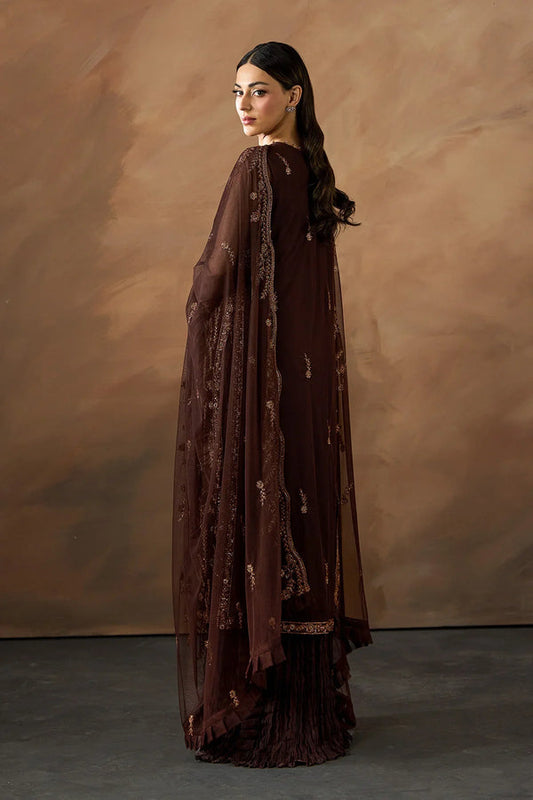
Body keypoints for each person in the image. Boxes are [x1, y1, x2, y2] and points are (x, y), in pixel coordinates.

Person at [171, 41, 373, 768]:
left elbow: (218, 273)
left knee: (261, 505)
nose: (244, 106)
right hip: (306, 383)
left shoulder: (257, 168)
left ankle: (261, 700)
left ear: (293, 94)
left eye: (258, 90)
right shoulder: (312, 172)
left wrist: (197, 308)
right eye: (236, 92)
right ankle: (310, 703)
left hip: (267, 382)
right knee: (298, 508)